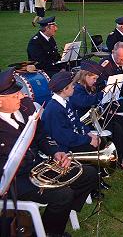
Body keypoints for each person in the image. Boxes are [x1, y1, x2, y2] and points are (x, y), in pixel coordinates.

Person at [0, 68, 97, 236]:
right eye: (15, 95)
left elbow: (41, 135)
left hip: (37, 164)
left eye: (19, 93)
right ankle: (51, 232)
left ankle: (57, 217)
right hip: (15, 181)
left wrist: (55, 152)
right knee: (63, 195)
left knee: (88, 174)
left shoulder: (25, 107)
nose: (21, 96)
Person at [68, 60, 123, 172]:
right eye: (93, 78)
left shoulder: (88, 86)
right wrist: (104, 93)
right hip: (86, 122)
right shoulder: (76, 89)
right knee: (116, 127)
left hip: (96, 117)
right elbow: (84, 102)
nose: (95, 81)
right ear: (85, 76)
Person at [42, 71, 101, 153]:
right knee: (96, 147)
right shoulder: (54, 110)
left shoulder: (65, 102)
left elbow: (76, 122)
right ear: (64, 90)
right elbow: (64, 136)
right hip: (63, 148)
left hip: (72, 139)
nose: (74, 87)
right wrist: (88, 140)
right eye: (71, 85)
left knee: (99, 141)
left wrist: (88, 133)